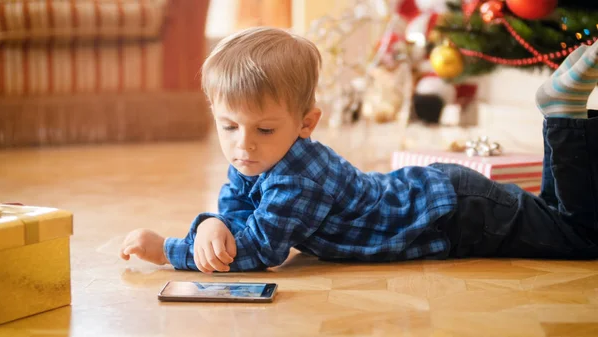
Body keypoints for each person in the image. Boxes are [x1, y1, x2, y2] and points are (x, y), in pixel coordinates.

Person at [120, 27, 598, 274]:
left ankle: (563, 112)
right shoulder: (260, 155)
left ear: (307, 123)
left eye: (264, 129)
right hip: (445, 200)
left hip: (456, 216)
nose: (242, 145)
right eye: (227, 126)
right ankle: (563, 114)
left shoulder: (296, 178)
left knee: (581, 237)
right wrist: (215, 222)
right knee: (556, 217)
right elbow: (239, 209)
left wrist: (169, 249)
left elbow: (260, 249)